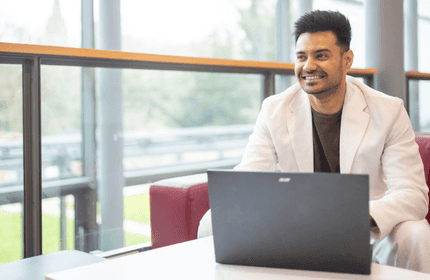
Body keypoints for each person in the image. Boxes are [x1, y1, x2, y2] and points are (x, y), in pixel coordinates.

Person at [198, 10, 430, 273]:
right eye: (301, 57)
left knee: (416, 234)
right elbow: (249, 176)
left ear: (347, 60)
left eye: (321, 55)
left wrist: (358, 215)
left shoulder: (388, 111)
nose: (308, 66)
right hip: (297, 224)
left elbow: (413, 194)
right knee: (212, 221)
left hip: (368, 228)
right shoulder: (274, 109)